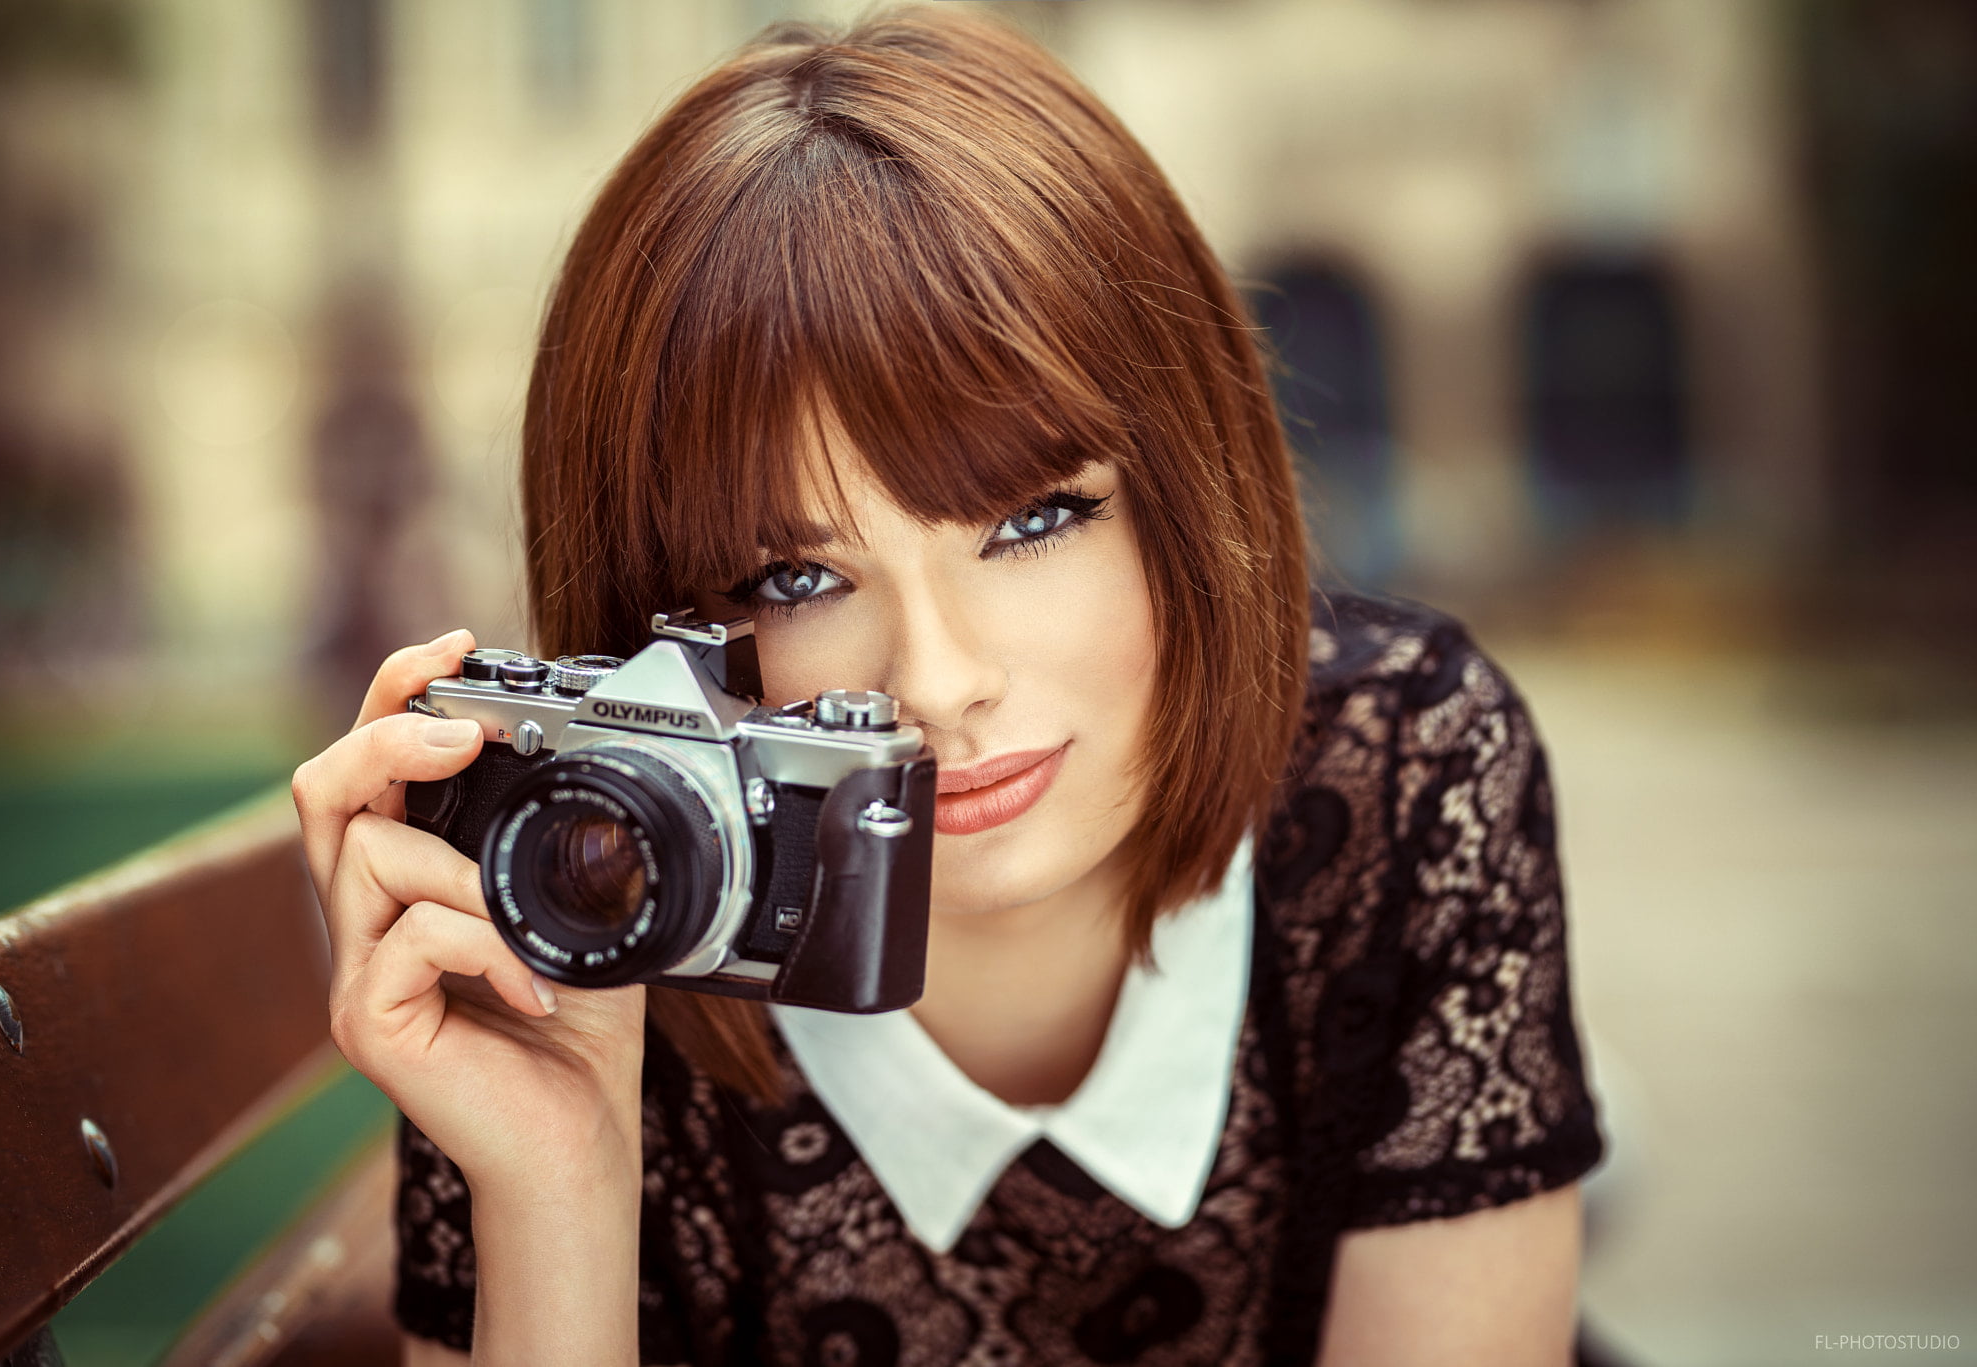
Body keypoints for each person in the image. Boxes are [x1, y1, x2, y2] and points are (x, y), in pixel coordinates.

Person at [289, 8, 1607, 1364]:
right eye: (796, 578)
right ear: (654, 632)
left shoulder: (1398, 767)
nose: (941, 679)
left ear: (1187, 485)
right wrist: (558, 1185)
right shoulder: (583, 919)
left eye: (1033, 520)